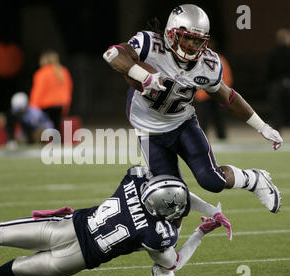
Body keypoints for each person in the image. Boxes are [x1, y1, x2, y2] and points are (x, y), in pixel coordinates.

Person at [0, 166, 230, 276]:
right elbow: (173, 262)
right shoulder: (157, 235)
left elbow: (175, 193)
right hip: (73, 262)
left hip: (64, 228)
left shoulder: (133, 181)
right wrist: (202, 229)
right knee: (6, 274)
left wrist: (204, 207)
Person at [103, 4, 283, 217]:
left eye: (197, 40)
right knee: (169, 199)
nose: (191, 45)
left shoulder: (207, 64)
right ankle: (173, 246)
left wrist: (261, 126)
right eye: (186, 38)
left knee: (212, 181)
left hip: (182, 125)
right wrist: (144, 76)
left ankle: (254, 179)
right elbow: (112, 54)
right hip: (149, 133)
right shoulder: (151, 45)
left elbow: (228, 97)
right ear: (171, 33)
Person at [0, 36, 24, 144]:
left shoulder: (13, 49)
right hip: (0, 79)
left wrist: (13, 72)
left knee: (11, 106)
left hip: (12, 79)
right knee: (2, 103)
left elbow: (19, 61)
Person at [194, 39, 233, 140]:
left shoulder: (220, 60)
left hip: (217, 93)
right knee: (202, 120)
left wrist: (223, 93)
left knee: (219, 118)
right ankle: (201, 139)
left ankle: (222, 137)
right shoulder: (197, 60)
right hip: (203, 94)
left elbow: (227, 77)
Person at [29, 50, 73, 134]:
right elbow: (68, 88)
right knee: (57, 126)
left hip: (46, 105)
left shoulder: (42, 73)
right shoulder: (63, 71)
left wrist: (33, 106)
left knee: (44, 126)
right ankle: (58, 143)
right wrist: (67, 104)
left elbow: (38, 91)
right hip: (61, 104)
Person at [267, 28, 290, 133]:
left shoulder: (273, 53)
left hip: (276, 84)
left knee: (277, 109)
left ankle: (277, 131)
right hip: (281, 83)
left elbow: (268, 71)